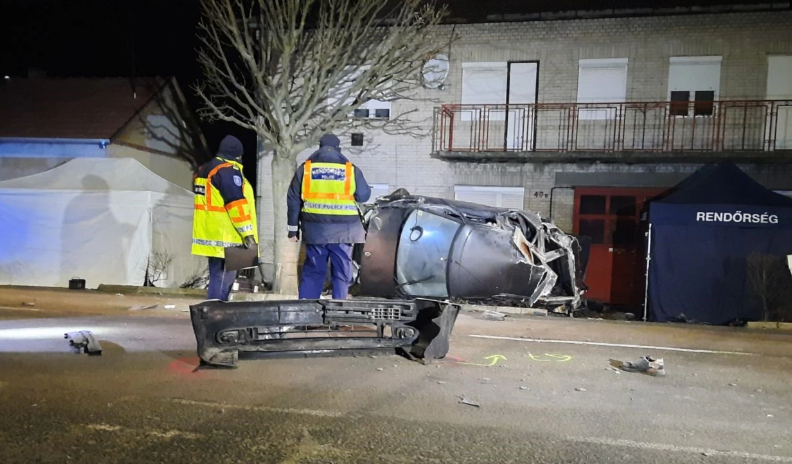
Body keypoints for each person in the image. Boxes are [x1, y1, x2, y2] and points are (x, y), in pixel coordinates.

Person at [287, 133, 371, 299]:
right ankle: (339, 307)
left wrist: (292, 230)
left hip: (316, 231)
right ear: (338, 149)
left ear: (319, 147)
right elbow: (363, 196)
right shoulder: (350, 170)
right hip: (345, 231)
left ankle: (307, 309)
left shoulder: (306, 169)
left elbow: (293, 200)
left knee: (313, 271)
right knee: (341, 271)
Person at [192, 135, 258, 301]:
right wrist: (247, 234)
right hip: (227, 234)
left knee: (217, 275)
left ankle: (214, 308)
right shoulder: (227, 171)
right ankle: (216, 310)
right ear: (237, 155)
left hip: (211, 232)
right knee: (224, 278)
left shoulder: (205, 169)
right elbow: (236, 205)